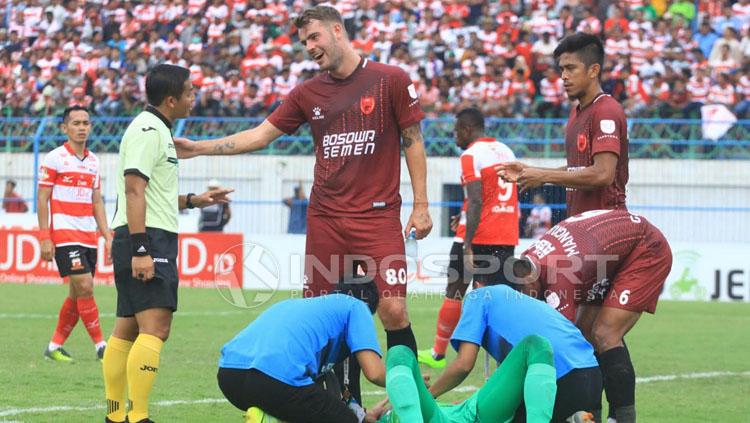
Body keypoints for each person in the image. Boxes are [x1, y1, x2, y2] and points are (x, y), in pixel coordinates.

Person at [174, 5, 432, 402]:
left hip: (376, 219)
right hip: (326, 219)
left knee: (394, 311)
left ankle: (412, 401)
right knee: (323, 318)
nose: (309, 47)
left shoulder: (390, 80)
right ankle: (345, 404)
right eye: (303, 42)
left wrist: (421, 204)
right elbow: (260, 136)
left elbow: (413, 140)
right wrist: (198, 149)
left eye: (314, 38)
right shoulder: (307, 93)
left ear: (337, 31)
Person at [102, 64, 233, 423]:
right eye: (190, 93)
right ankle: (137, 417)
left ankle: (115, 417)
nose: (194, 98)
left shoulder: (157, 129)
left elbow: (153, 194)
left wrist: (194, 200)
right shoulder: (148, 130)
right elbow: (134, 189)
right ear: (172, 99)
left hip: (141, 235)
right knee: (156, 328)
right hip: (146, 240)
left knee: (126, 328)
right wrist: (142, 249)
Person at [509, 209, 673, 423]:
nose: (526, 300)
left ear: (529, 278)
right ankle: (590, 416)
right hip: (608, 256)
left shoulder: (560, 274)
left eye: (524, 293)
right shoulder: (530, 258)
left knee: (604, 334)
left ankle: (622, 418)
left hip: (645, 248)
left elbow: (560, 343)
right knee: (585, 337)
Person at [418, 108, 519, 369]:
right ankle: (506, 365)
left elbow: (476, 199)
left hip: (480, 236)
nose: (454, 137)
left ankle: (439, 353)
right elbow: (488, 196)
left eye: (455, 131)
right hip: (506, 234)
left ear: (466, 129)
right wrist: (463, 215)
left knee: (455, 290)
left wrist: (467, 243)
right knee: (501, 302)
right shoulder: (506, 151)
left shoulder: (470, 154)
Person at [497, 33, 629, 218]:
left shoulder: (606, 111)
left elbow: (602, 174)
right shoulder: (577, 113)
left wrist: (543, 177)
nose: (564, 77)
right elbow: (577, 170)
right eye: (562, 70)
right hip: (581, 225)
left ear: (593, 70)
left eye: (571, 68)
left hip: (606, 225)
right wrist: (532, 171)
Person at [217, 279, 385, 423]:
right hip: (273, 380)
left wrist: (361, 415)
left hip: (230, 377)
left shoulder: (302, 307)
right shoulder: (357, 306)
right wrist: (406, 384)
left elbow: (321, 392)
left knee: (313, 408)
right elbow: (375, 373)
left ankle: (268, 417)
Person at [428, 285, 603, 423]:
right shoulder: (526, 302)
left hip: (558, 380)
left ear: (478, 284)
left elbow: (464, 364)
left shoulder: (478, 296)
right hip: (593, 375)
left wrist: (430, 395)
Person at [37, 106, 111, 362]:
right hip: (65, 234)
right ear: (64, 128)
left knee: (77, 293)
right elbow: (42, 198)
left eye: (86, 123)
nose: (82, 127)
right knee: (85, 286)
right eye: (76, 123)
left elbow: (97, 201)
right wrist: (45, 237)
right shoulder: (54, 158)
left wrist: (107, 235)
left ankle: (54, 346)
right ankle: (102, 347)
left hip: (88, 235)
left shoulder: (93, 162)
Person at [367, 337, 564, 423]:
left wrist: (366, 414)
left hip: (467, 412)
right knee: (399, 352)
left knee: (535, 345)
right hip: (441, 417)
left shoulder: (388, 410)